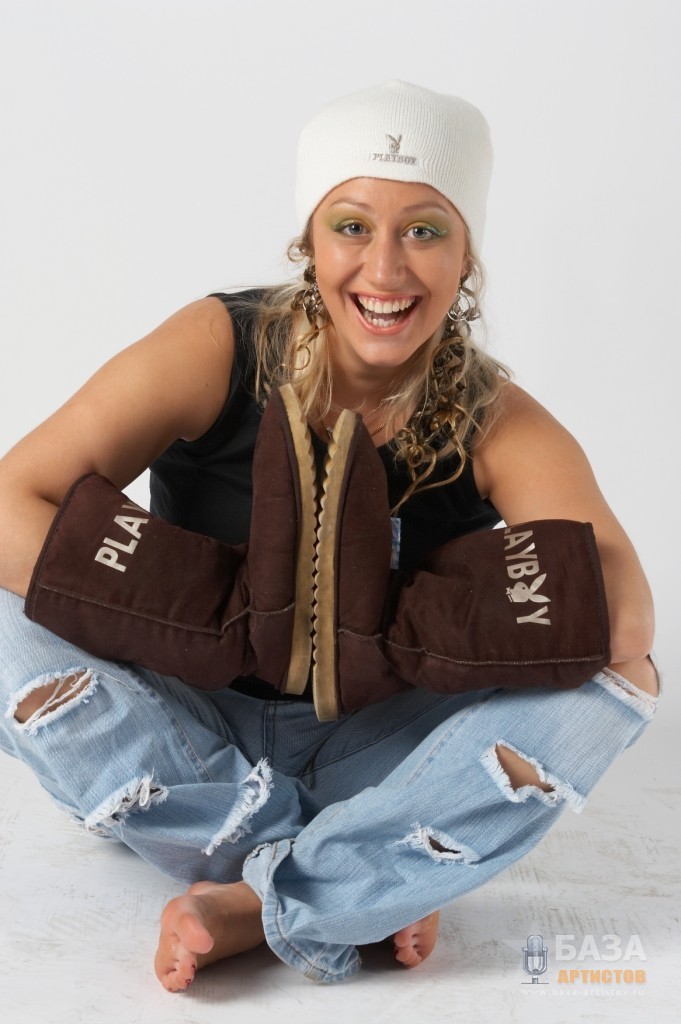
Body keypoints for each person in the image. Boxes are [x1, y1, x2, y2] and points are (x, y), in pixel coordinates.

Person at [0, 81, 659, 992]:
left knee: (615, 687)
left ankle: (263, 896)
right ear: (309, 240)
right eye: (352, 226)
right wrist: (217, 609)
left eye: (423, 230)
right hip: (184, 727)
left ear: (465, 253)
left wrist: (395, 629)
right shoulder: (220, 345)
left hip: (375, 749)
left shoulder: (494, 414)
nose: (384, 270)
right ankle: (368, 872)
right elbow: (12, 501)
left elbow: (623, 624)